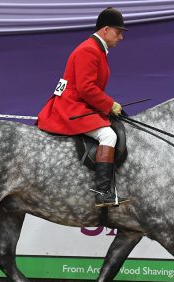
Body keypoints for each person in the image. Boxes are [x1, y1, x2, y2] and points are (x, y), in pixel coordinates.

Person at [37, 7, 129, 208]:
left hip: (80, 103)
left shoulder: (96, 49)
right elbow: (86, 88)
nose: (121, 37)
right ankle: (102, 192)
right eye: (118, 31)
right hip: (71, 106)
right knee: (108, 136)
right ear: (105, 30)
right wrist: (109, 104)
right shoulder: (89, 49)